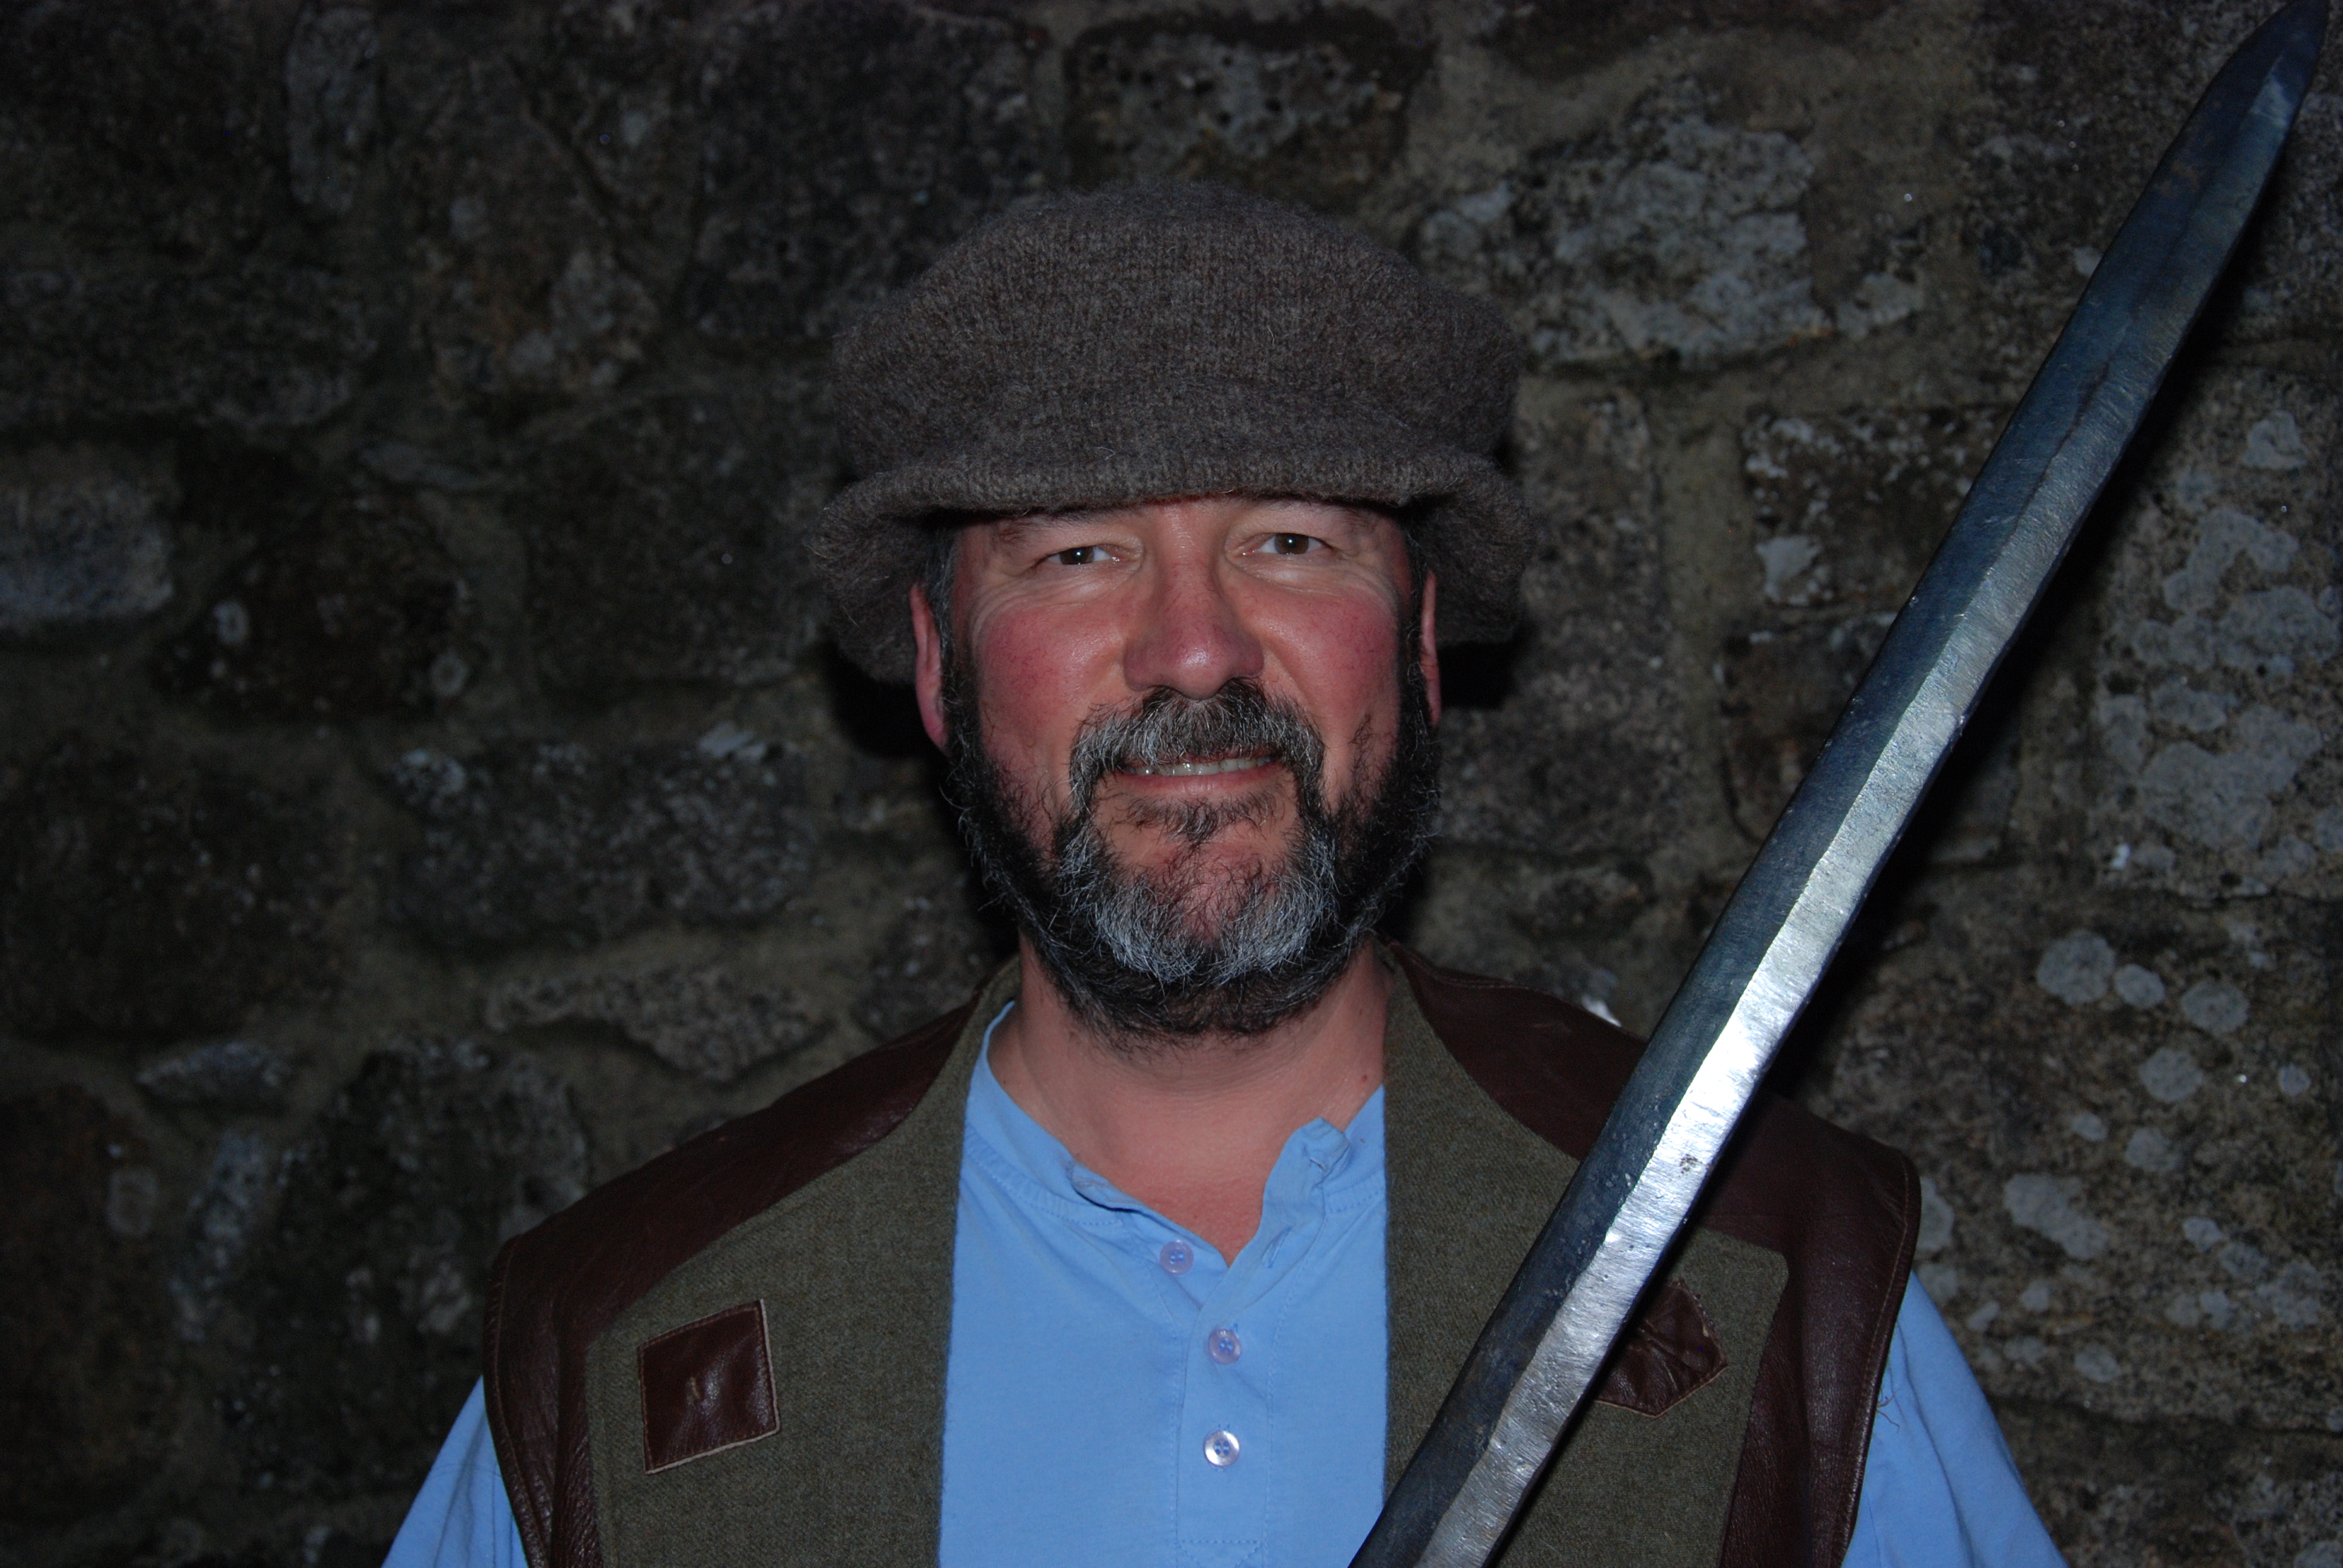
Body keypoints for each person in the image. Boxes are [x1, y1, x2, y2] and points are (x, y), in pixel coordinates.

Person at [386, 185, 2063, 1568]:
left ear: (1416, 641)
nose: (1195, 650)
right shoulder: (618, 1363)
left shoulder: (1774, 1280)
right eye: (1078, 553)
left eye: (1290, 542)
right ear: (937, 665)